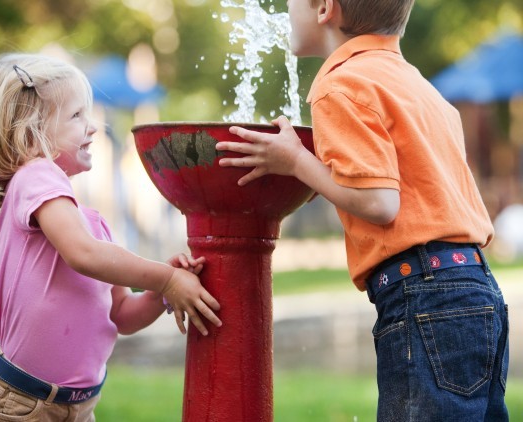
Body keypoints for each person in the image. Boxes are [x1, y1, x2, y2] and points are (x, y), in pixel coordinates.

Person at [216, 0, 509, 420]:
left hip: (423, 294)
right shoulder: (418, 86)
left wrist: (296, 161)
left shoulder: (340, 84)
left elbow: (379, 202)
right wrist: (320, 174)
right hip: (476, 288)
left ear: (323, 10)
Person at [0, 53, 222, 421]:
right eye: (76, 116)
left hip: (77, 408)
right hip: (20, 405)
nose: (93, 127)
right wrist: (165, 276)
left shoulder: (94, 226)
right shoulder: (35, 175)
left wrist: (159, 292)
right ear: (30, 134)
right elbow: (82, 254)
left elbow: (121, 315)